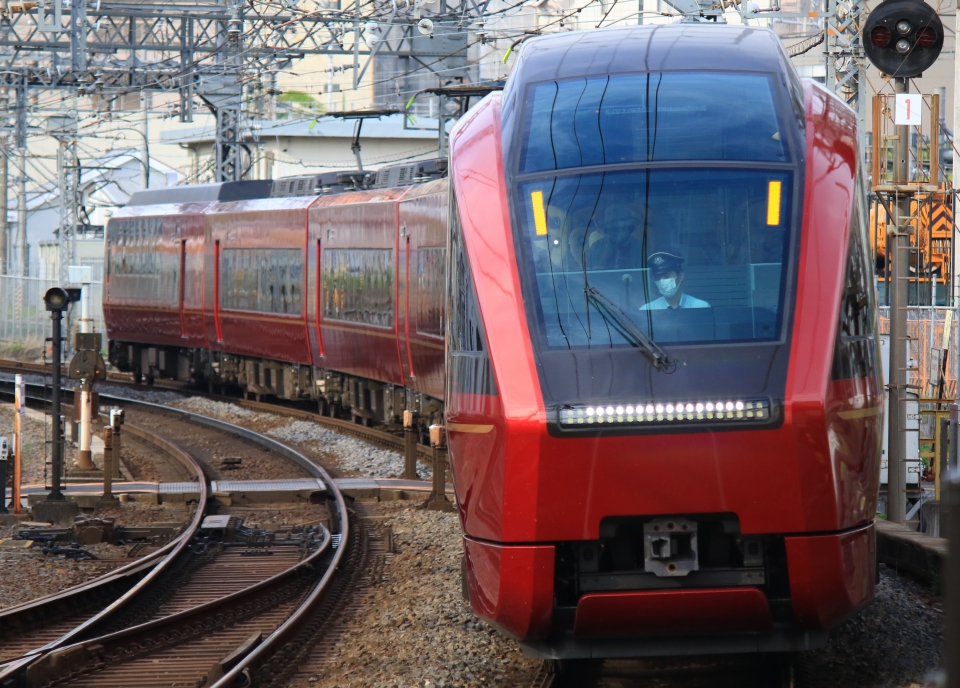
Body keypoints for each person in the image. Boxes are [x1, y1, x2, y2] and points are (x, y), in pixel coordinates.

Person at [639, 252, 711, 310]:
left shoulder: (701, 307)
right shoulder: (647, 311)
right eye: (658, 278)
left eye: (667, 276)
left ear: (680, 276)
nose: (662, 281)